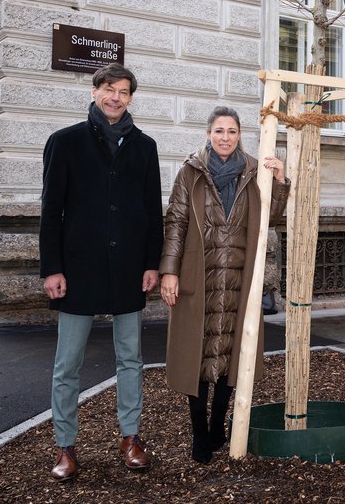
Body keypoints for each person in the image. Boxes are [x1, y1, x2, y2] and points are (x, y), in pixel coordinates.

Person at [39, 64, 163, 482]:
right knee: (67, 363)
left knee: (131, 357)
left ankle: (131, 439)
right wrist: (52, 267)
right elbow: (50, 213)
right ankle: (66, 446)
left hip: (129, 269)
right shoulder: (65, 143)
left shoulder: (145, 147)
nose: (115, 97)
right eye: (108, 89)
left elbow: (152, 213)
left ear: (131, 98)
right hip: (77, 270)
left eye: (123, 91)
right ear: (94, 92)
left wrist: (152, 263)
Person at [160, 106, 289, 464]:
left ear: (239, 135)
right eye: (219, 131)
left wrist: (280, 181)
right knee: (197, 359)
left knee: (233, 359)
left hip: (238, 279)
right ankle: (200, 435)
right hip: (198, 277)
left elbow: (270, 218)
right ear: (208, 133)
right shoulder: (190, 172)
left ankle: (218, 426)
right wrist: (169, 271)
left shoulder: (252, 170)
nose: (225, 138)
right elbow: (176, 222)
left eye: (231, 131)